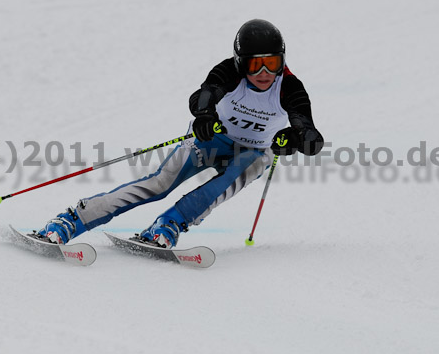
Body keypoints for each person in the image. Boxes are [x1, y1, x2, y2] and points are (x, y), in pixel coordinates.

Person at [32, 19, 324, 248]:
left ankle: (168, 226)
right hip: (213, 138)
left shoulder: (290, 88)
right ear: (239, 62)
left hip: (253, 152)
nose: (263, 72)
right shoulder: (228, 72)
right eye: (254, 63)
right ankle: (72, 220)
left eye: (271, 63)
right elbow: (204, 95)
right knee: (159, 184)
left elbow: (311, 137)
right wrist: (205, 116)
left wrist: (295, 140)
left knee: (220, 187)